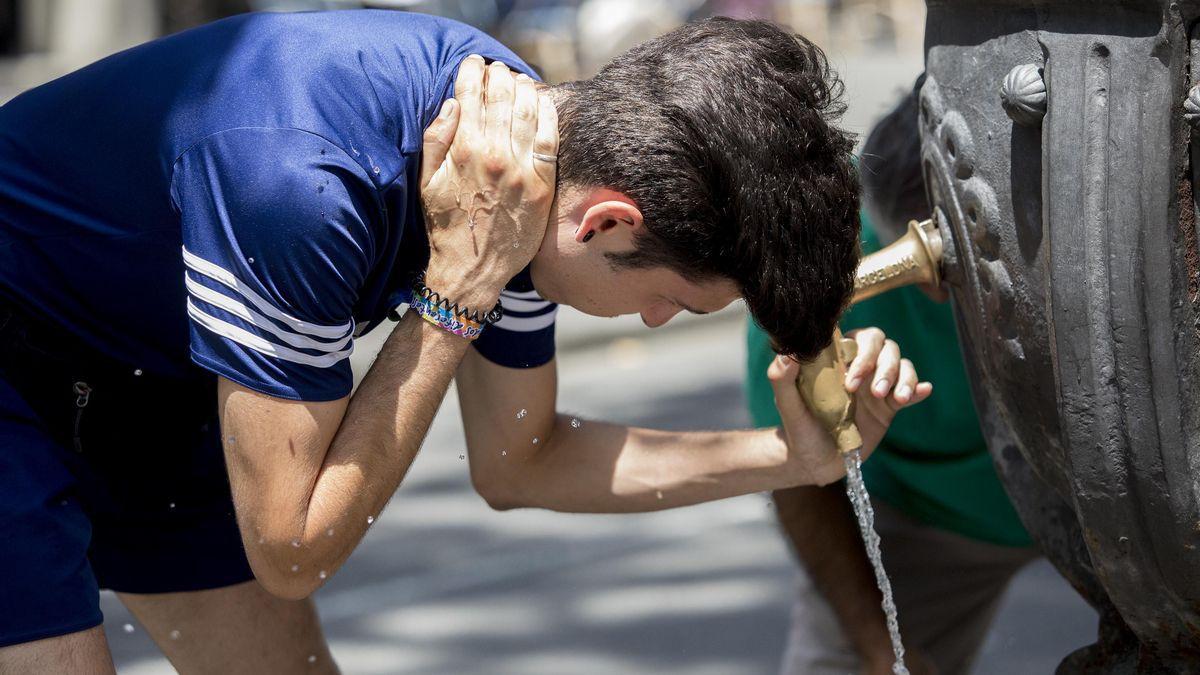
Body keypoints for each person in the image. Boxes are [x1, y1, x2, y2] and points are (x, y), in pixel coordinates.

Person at [0, 10, 931, 673]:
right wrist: (457, 291)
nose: (655, 322)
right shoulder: (309, 189)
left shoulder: (528, 164)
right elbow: (291, 550)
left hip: (140, 368)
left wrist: (790, 455)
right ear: (608, 223)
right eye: (673, 304)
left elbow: (519, 462)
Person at [745, 82, 1040, 675]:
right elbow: (797, 478)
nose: (939, 291)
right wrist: (877, 646)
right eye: (923, 270)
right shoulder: (814, 252)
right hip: (926, 513)